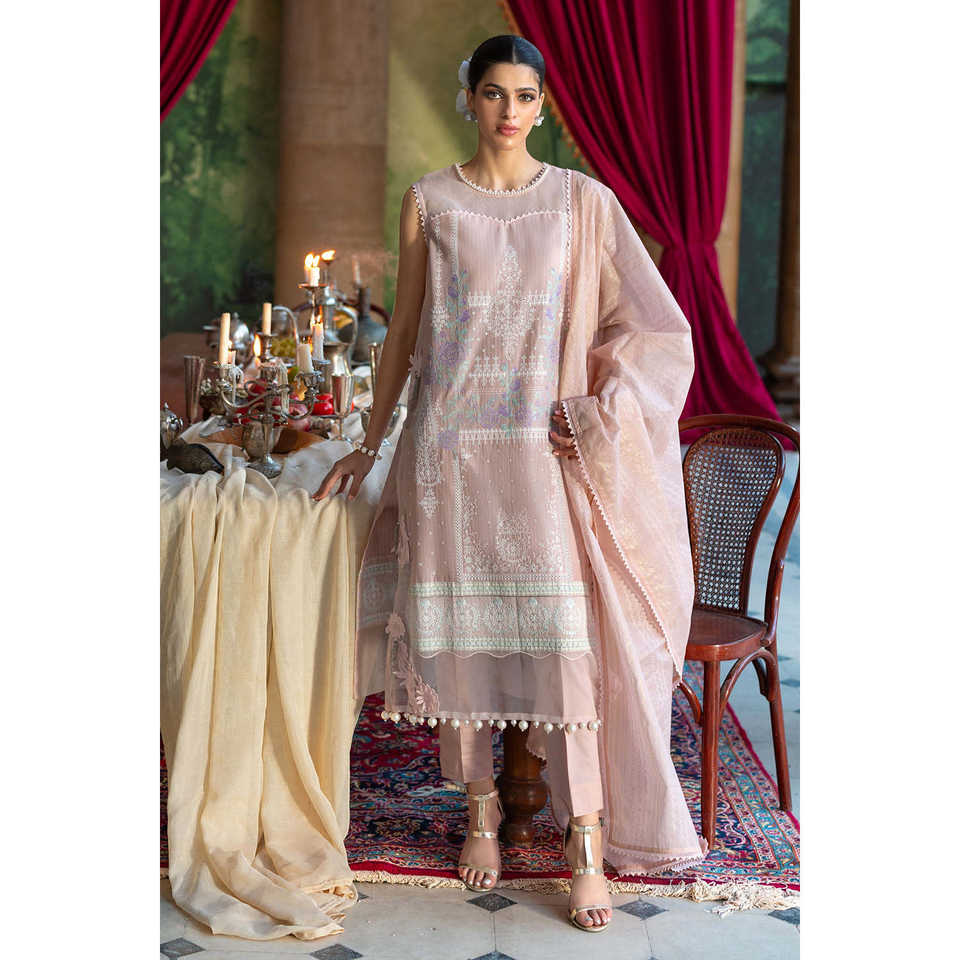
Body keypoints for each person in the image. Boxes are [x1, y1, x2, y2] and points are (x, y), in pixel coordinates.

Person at [314, 34, 708, 933]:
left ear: (542, 104)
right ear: (471, 98)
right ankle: (481, 813)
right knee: (461, 647)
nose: (510, 111)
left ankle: (585, 842)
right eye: (495, 93)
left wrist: (600, 410)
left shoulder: (583, 202)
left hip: (541, 457)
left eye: (525, 96)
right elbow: (404, 334)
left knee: (564, 652)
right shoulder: (430, 201)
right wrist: (369, 446)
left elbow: (655, 329)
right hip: (449, 457)